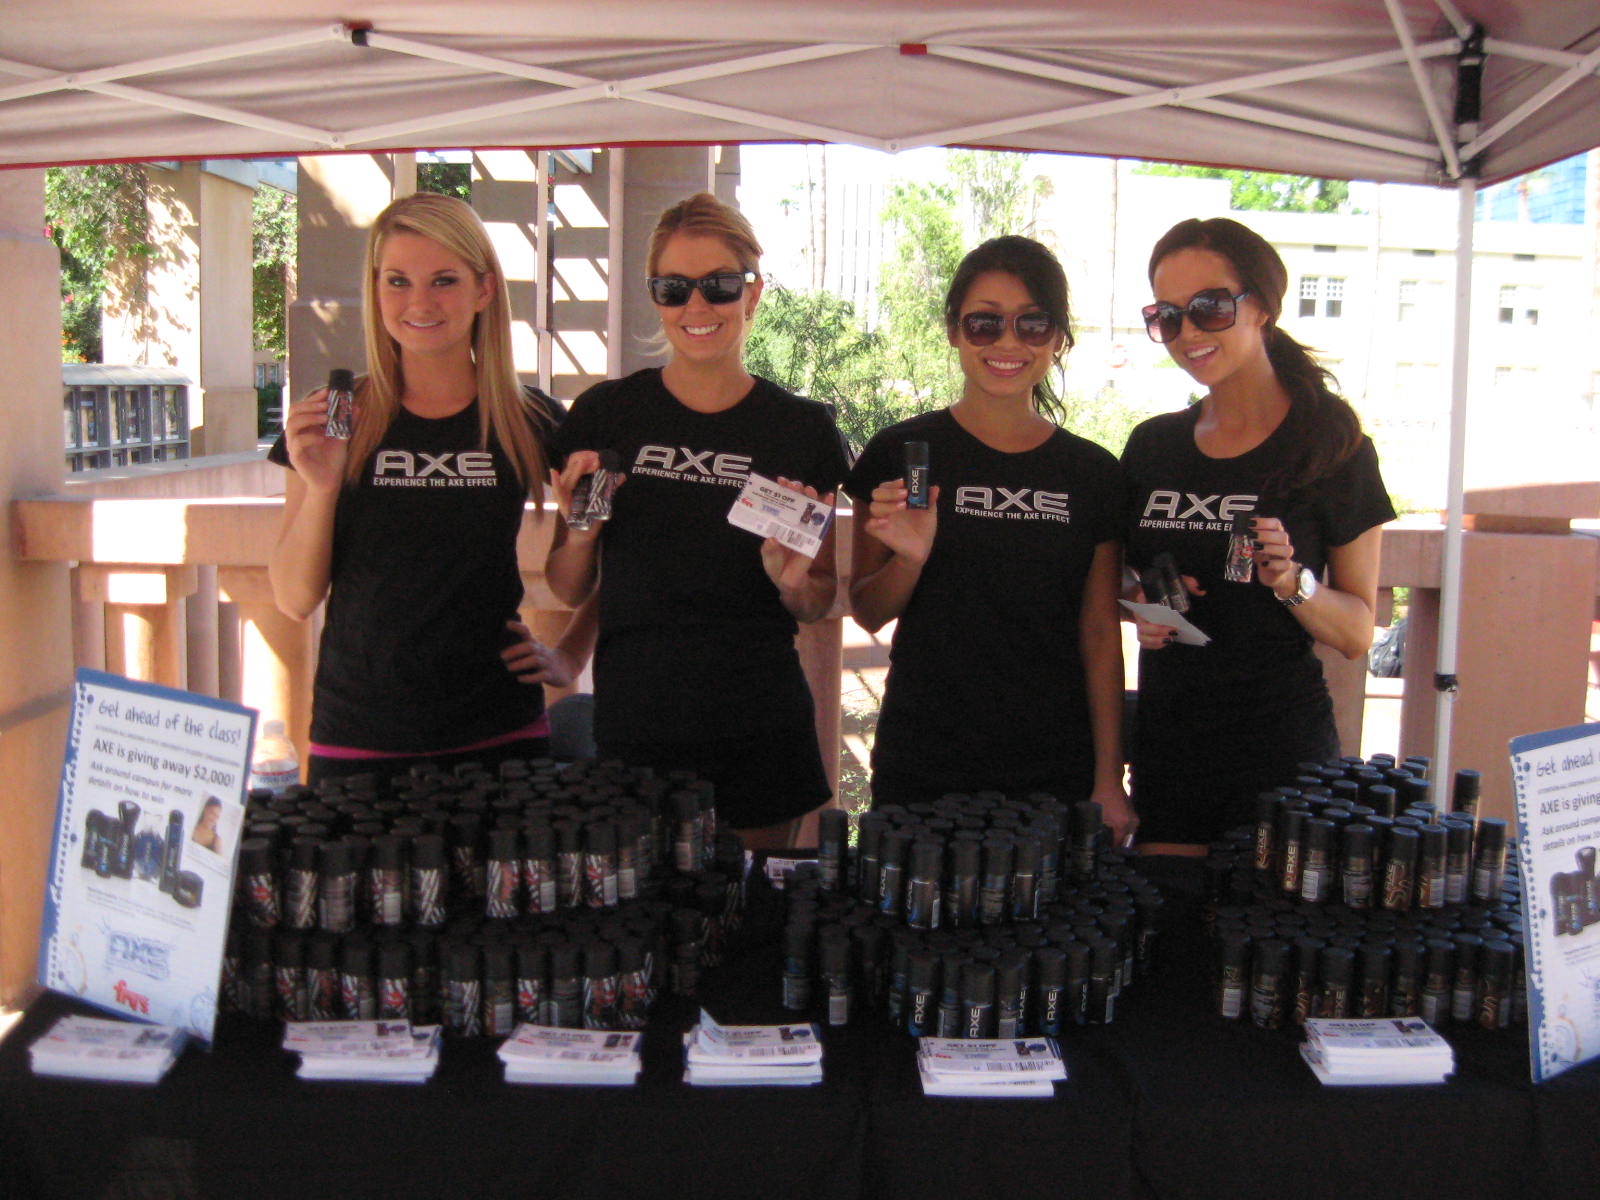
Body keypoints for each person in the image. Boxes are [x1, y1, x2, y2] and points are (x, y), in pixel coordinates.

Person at [544, 192, 849, 850]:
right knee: (644, 935)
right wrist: (580, 531)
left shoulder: (801, 431)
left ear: (754, 295)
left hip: (759, 733)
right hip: (634, 734)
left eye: (719, 286)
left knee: (751, 934)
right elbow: (567, 587)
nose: (697, 307)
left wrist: (790, 578)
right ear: (655, 297)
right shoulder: (607, 414)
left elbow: (817, 598)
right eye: (674, 288)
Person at [268, 192, 593, 785]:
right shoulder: (337, 417)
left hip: (499, 732)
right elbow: (294, 598)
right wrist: (321, 488)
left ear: (484, 290)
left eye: (444, 280)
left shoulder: (529, 418)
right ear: (375, 290)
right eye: (398, 280)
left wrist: (569, 652)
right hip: (361, 734)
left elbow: (589, 576)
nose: (419, 302)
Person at [845, 236, 1133, 844]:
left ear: (1056, 339)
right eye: (984, 323)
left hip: (1053, 765)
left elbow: (1101, 635)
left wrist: (1109, 779)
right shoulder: (901, 454)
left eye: (1032, 323)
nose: (1008, 343)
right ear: (954, 330)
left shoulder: (1093, 473)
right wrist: (912, 556)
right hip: (925, 757)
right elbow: (868, 609)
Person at [1123, 217, 1395, 847]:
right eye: (1167, 315)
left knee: (1265, 942)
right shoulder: (1153, 445)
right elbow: (1115, 569)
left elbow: (1356, 632)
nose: (1187, 331)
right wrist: (1138, 601)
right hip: (1170, 744)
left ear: (1264, 308)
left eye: (1209, 307)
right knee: (1175, 934)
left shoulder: (1333, 446)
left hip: (1281, 752)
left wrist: (1293, 583)